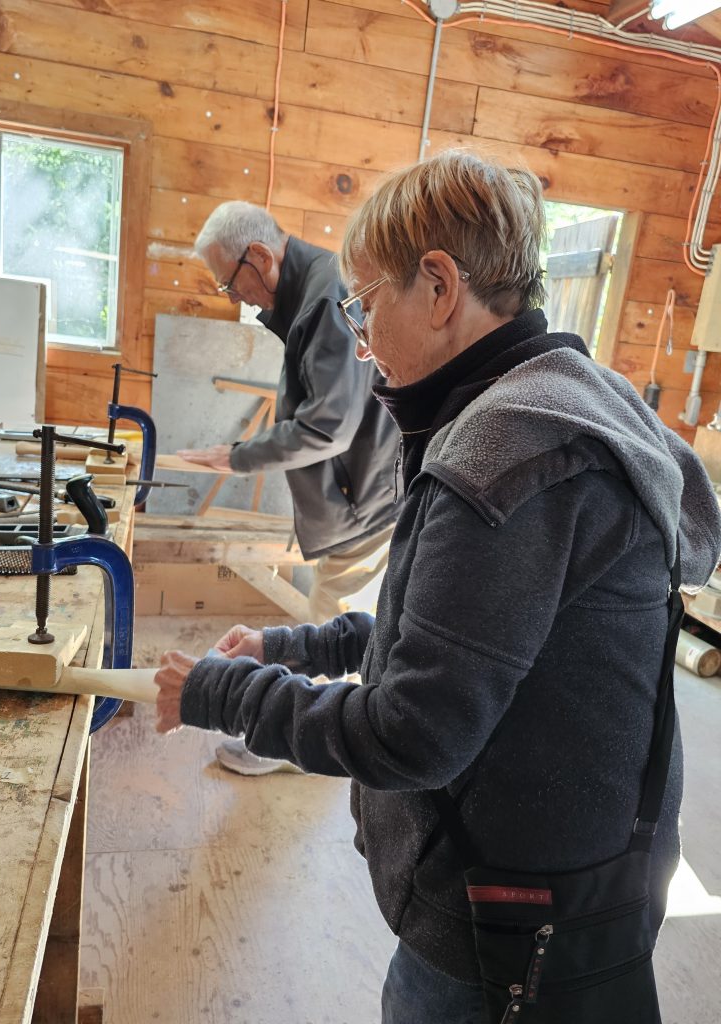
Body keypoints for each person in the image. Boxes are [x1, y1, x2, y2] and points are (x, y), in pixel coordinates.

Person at [153, 151, 721, 1023]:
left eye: (365, 303)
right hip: (579, 872)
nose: (362, 337)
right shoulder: (571, 392)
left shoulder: (505, 456)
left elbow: (411, 734)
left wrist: (221, 692)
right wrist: (290, 646)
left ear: (441, 287)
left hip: (509, 917)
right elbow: (451, 631)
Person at [179, 202, 399, 775]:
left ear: (258, 255)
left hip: (363, 499)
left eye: (229, 283)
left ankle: (305, 747)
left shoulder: (325, 297)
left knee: (334, 618)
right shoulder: (311, 290)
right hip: (359, 491)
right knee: (336, 619)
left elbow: (328, 427)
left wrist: (240, 457)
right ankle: (315, 736)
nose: (234, 296)